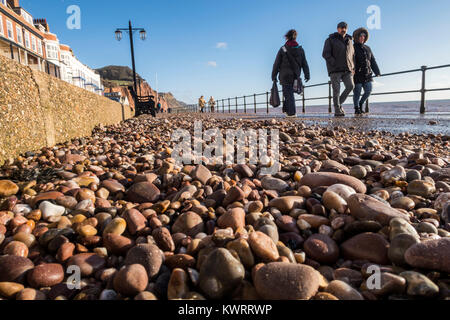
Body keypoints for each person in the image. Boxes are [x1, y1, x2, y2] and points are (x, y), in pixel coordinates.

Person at [272, 29, 310, 117]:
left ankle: (292, 113)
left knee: (288, 93)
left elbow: (276, 63)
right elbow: (304, 63)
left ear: (287, 37)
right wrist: (307, 74)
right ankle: (286, 110)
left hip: (284, 75)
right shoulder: (300, 49)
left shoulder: (283, 49)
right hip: (295, 75)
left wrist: (273, 75)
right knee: (288, 93)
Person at [322, 21, 355, 117]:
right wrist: (334, 63)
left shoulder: (350, 40)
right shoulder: (330, 39)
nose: (343, 29)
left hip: (347, 69)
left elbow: (352, 55)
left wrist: (353, 67)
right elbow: (325, 54)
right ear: (338, 29)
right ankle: (337, 110)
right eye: (341, 27)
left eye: (345, 28)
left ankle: (338, 104)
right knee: (336, 90)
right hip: (335, 69)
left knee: (350, 86)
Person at [352, 27, 381, 115]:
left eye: (364, 36)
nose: (362, 37)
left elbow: (372, 60)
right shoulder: (352, 47)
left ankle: (361, 103)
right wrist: (351, 71)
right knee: (357, 92)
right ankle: (356, 108)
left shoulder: (368, 48)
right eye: (361, 35)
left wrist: (377, 72)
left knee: (368, 90)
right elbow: (349, 60)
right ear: (357, 37)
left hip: (367, 74)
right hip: (357, 74)